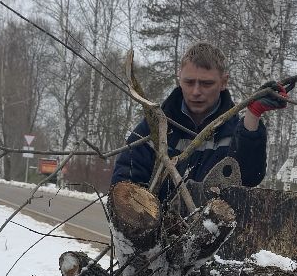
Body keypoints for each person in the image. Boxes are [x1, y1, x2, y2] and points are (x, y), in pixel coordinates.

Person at [111, 42, 284, 191]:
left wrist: (253, 115)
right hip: (155, 227)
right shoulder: (153, 128)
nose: (196, 92)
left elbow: (249, 178)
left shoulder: (236, 132)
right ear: (179, 79)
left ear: (224, 82)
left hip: (212, 228)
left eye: (207, 83)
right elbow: (126, 178)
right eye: (189, 82)